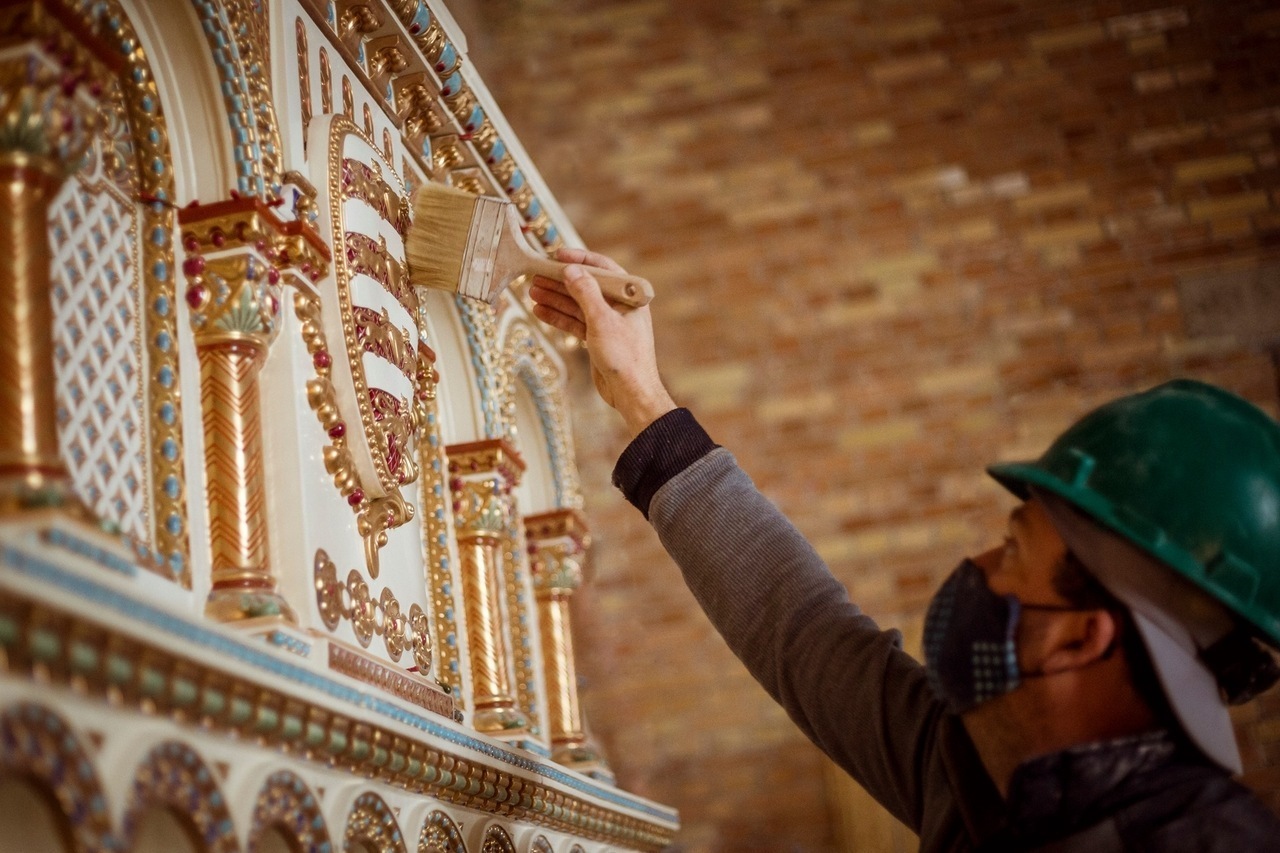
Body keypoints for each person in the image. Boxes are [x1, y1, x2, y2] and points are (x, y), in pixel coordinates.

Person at [529, 248, 1280, 852]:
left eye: (1013, 553)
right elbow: (801, 627)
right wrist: (642, 397)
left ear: (1082, 635)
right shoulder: (980, 767)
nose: (978, 567)